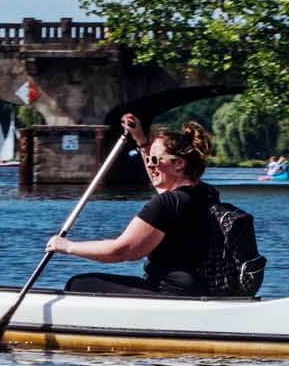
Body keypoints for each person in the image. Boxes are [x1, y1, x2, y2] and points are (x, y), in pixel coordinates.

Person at [46, 112, 219, 296]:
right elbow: (159, 182)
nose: (151, 165)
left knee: (79, 284)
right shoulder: (207, 194)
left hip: (167, 294)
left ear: (179, 164)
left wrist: (67, 246)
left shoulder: (167, 203)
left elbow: (122, 251)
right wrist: (141, 140)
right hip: (196, 290)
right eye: (149, 160)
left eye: (156, 160)